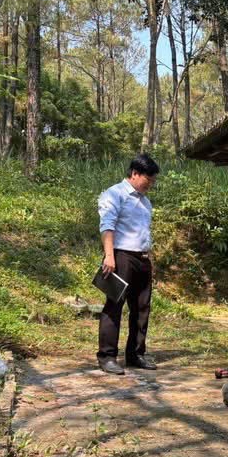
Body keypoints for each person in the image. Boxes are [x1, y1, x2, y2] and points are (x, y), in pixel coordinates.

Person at [96, 154, 160, 375]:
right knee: (114, 305)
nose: (150, 185)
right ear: (134, 173)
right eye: (148, 180)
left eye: (153, 181)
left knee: (142, 308)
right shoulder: (114, 194)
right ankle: (107, 356)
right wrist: (109, 256)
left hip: (142, 259)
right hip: (121, 256)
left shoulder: (145, 202)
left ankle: (135, 354)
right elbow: (107, 226)